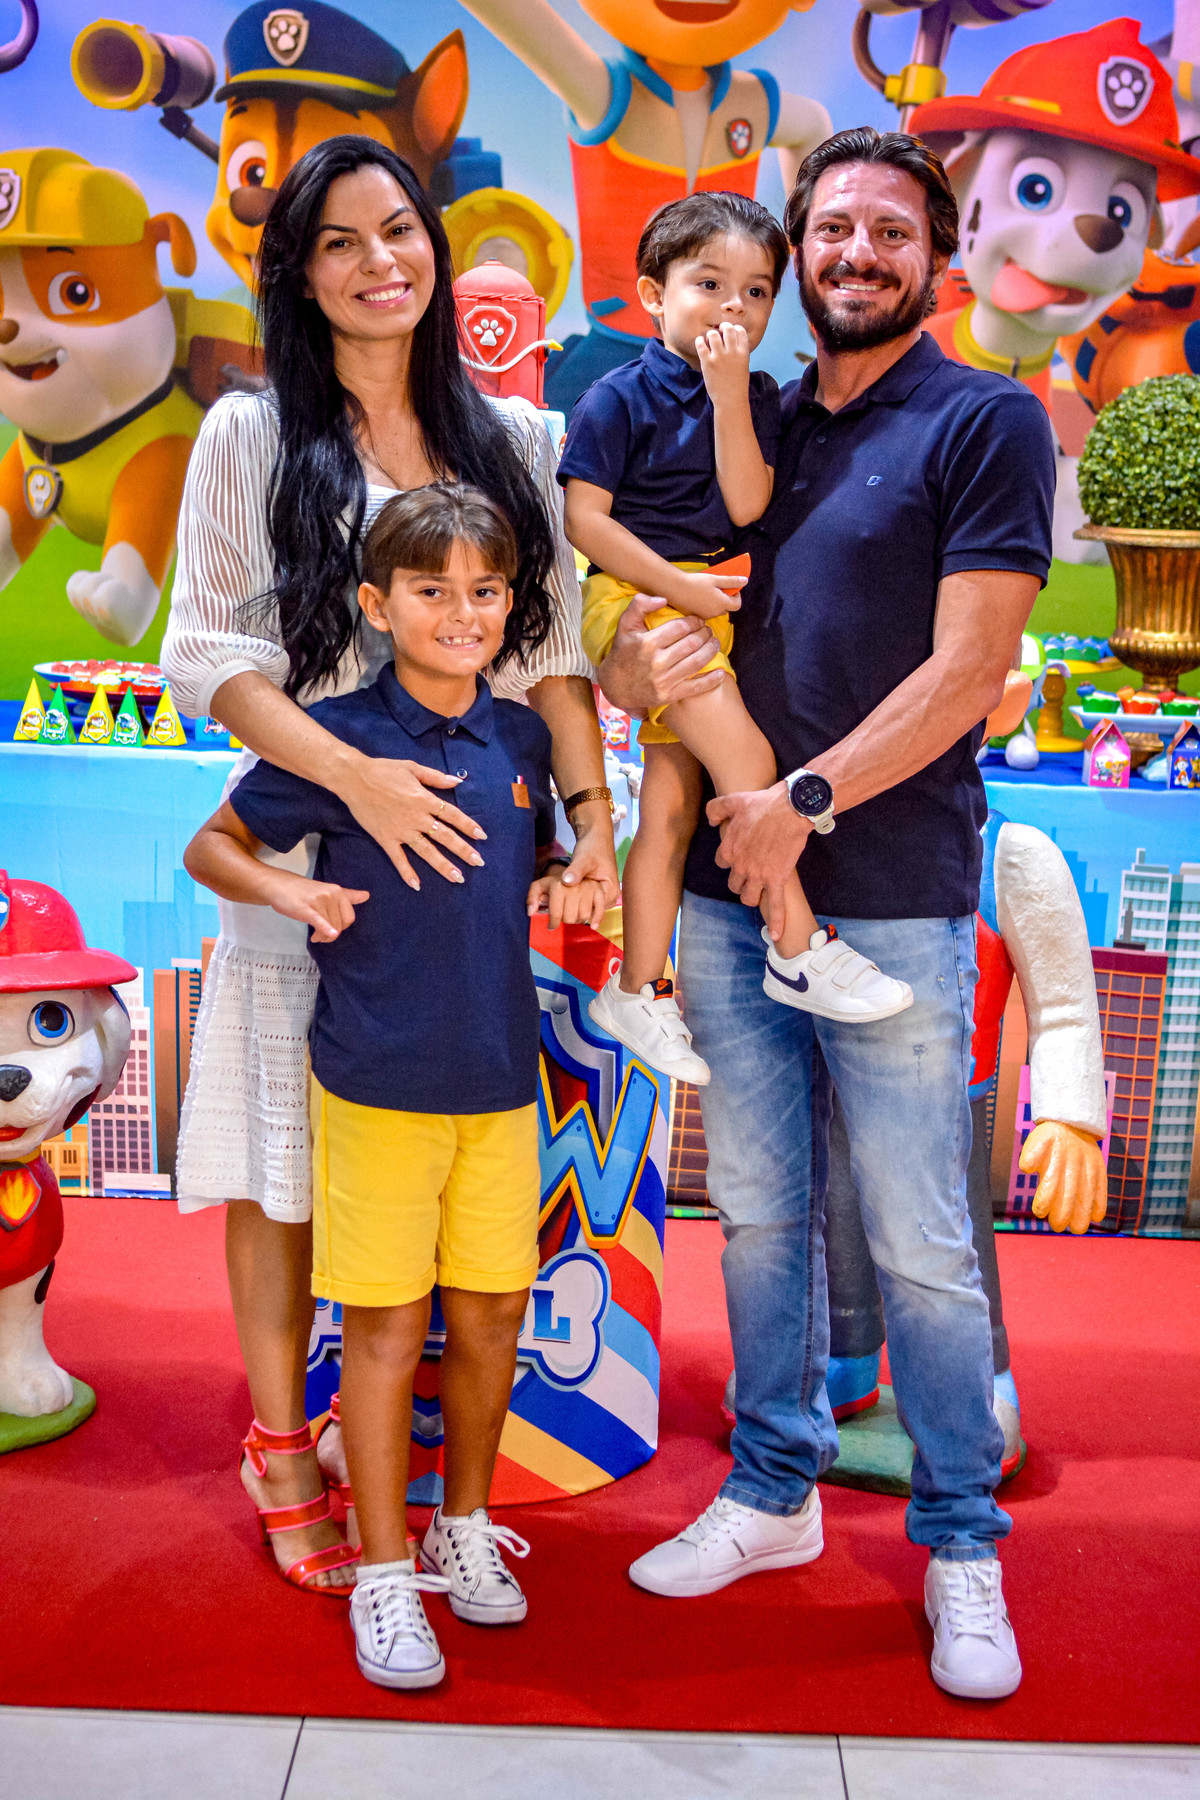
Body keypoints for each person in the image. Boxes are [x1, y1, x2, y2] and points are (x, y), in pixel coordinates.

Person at [601, 127, 1056, 1702]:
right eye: (833, 229)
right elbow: (650, 620)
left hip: (893, 896)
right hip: (730, 900)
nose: (857, 252)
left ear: (936, 255)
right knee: (759, 1213)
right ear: (796, 254)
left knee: (922, 1238)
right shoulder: (749, 417)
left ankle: (961, 1540)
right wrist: (630, 668)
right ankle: (772, 1485)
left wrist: (799, 802)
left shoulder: (985, 419)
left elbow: (969, 670)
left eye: (890, 229)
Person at [161, 137, 617, 1595]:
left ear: (438, 246)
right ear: (300, 273)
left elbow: (551, 660)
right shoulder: (250, 434)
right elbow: (206, 653)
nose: (380, 263)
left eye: (401, 231)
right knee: (282, 1168)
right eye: (342, 241)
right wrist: (352, 774)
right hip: (312, 842)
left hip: (462, 878)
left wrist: (594, 823)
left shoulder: (515, 439)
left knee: (446, 1184)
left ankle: (435, 1488)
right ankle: (282, 1442)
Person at [186, 484, 589, 1688]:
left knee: (492, 1316)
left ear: (511, 602)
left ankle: (463, 1526)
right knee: (384, 1328)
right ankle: (381, 1570)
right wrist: (292, 890)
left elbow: (539, 858)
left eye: (485, 590)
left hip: (500, 1085)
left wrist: (565, 880)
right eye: (431, 589)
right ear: (377, 604)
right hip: (372, 1083)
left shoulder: (524, 739)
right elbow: (213, 845)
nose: (462, 612)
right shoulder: (338, 737)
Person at [560, 191, 912, 1086]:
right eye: (709, 284)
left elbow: (749, 502)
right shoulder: (615, 397)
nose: (734, 307)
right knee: (749, 759)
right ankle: (797, 943)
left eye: (756, 292)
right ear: (653, 293)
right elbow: (583, 522)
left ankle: (638, 988)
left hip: (708, 602)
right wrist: (675, 588)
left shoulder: (753, 395)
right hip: (639, 597)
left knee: (673, 806)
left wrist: (726, 396)